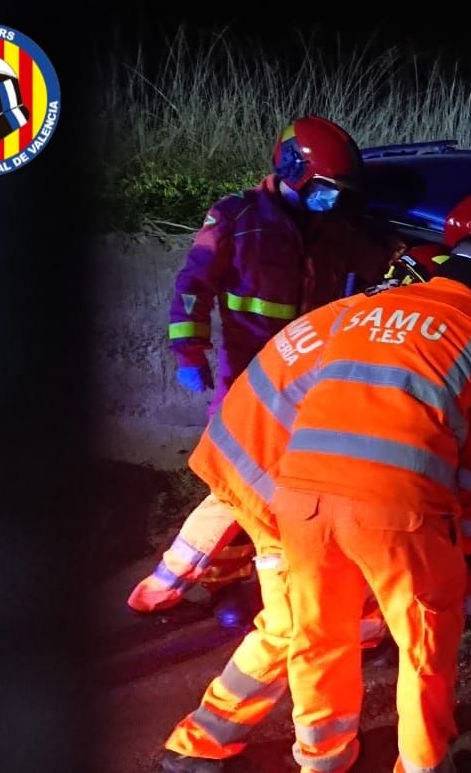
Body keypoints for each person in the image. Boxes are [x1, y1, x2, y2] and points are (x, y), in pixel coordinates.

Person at [157, 253, 442, 773]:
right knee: (298, 626)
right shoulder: (389, 342)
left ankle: (216, 741)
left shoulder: (352, 319)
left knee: (312, 619)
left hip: (251, 464)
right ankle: (215, 744)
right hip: (277, 488)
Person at [129, 115, 402, 615]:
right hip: (244, 379)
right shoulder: (237, 217)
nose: (333, 200)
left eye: (341, 192)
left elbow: (378, 264)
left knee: (271, 490)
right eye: (326, 189)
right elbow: (193, 287)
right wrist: (189, 353)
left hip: (304, 382)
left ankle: (226, 583)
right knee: (234, 486)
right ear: (293, 168)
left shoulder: (333, 230)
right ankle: (188, 583)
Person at [270, 234, 471, 772]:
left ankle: (321, 760)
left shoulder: (368, 308)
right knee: (426, 645)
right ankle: (424, 765)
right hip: (397, 509)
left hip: (300, 494)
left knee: (318, 634)